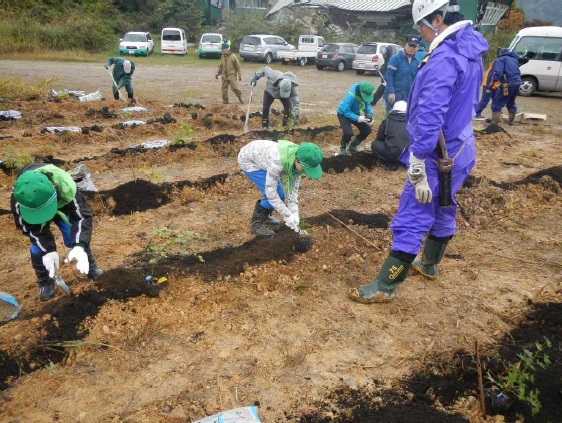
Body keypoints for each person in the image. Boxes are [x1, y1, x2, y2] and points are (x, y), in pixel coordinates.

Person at [348, 0, 487, 303]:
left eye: (421, 27)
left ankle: (386, 285)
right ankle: (430, 265)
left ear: (437, 20)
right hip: (462, 148)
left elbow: (430, 113)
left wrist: (418, 159)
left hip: (437, 154)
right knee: (444, 206)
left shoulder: (444, 58)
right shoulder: (471, 51)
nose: (421, 35)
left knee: (413, 215)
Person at [11, 164, 103, 302]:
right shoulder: (21, 198)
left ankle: (90, 266)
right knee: (37, 247)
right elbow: (29, 228)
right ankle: (45, 282)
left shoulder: (65, 186)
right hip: (33, 209)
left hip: (61, 202)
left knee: (71, 233)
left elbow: (82, 217)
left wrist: (80, 245)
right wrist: (48, 250)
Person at [238, 140, 323, 236]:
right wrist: (287, 216)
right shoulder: (277, 163)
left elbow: (293, 192)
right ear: (297, 160)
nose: (305, 172)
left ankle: (264, 215)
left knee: (280, 195)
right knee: (276, 194)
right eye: (305, 169)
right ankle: (256, 224)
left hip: (262, 157)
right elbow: (271, 194)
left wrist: (294, 214)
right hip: (249, 161)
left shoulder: (298, 162)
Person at [383, 36, 421, 113]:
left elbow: (417, 80)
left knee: (405, 119)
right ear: (405, 45)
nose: (412, 48)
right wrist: (391, 92)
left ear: (417, 48)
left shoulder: (417, 62)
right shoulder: (395, 58)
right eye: (410, 45)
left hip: (408, 97)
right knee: (391, 117)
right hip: (394, 96)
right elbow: (389, 75)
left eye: (414, 46)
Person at [337, 82, 375, 155]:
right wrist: (357, 118)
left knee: (367, 130)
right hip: (343, 114)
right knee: (348, 133)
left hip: (354, 113)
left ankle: (353, 146)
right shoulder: (350, 96)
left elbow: (367, 104)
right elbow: (346, 111)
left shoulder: (365, 92)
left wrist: (369, 114)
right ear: (361, 93)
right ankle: (343, 147)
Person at [370, 100, 410, 166]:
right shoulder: (412, 122)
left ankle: (387, 162)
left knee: (375, 144)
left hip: (392, 155)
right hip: (409, 155)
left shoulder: (387, 121)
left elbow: (379, 138)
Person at [489, 47, 522, 125]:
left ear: (500, 53)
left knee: (497, 103)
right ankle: (510, 120)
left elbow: (497, 72)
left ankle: (494, 122)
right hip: (517, 83)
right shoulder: (514, 60)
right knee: (510, 101)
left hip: (507, 85)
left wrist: (493, 83)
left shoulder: (501, 59)